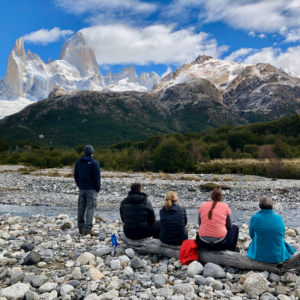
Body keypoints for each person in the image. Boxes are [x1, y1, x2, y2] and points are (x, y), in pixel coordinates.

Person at [247, 196, 296, 263]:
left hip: (260, 256)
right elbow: (282, 235)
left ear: (260, 206)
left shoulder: (254, 218)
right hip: (278, 256)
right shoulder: (279, 218)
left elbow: (251, 235)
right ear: (272, 206)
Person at [74, 145, 101, 236]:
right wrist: (97, 188)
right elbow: (97, 177)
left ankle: (80, 227)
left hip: (82, 188)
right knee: (90, 208)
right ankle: (88, 229)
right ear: (92, 152)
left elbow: (76, 175)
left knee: (81, 208)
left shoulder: (78, 162)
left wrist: (79, 184)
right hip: (91, 188)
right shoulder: (94, 163)